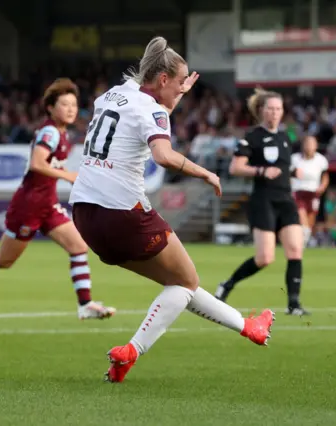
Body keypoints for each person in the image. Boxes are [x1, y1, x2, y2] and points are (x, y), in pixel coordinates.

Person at [68, 37, 274, 383]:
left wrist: (177, 94)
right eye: (179, 83)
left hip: (85, 215)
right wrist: (206, 172)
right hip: (123, 213)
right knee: (186, 281)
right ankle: (131, 351)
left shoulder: (115, 94)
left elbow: (149, 111)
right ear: (163, 80)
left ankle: (248, 327)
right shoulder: (152, 111)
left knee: (180, 284)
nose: (181, 90)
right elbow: (163, 155)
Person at [0, 78, 115, 320]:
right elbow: (37, 163)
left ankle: (85, 304)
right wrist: (68, 176)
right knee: (4, 259)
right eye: (64, 104)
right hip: (28, 205)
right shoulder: (50, 132)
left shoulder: (62, 134)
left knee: (78, 246)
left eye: (73, 104)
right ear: (50, 107)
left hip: (47, 204)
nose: (71, 109)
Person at [214, 88, 308, 316]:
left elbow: (282, 167)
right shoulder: (252, 137)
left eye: (278, 109)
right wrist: (261, 171)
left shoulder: (286, 137)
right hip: (263, 199)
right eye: (270, 109)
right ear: (261, 111)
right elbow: (235, 167)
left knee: (295, 249)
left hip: (285, 199)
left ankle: (293, 304)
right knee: (265, 258)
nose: (275, 113)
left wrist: (293, 172)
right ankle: (227, 284)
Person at [290, 135, 329, 247]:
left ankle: (307, 237)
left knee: (310, 219)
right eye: (307, 143)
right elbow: (288, 174)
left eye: (312, 144)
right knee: (301, 213)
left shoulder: (321, 160)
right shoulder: (295, 159)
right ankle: (305, 237)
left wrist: (322, 187)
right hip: (298, 191)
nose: (309, 146)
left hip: (313, 192)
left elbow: (325, 177)